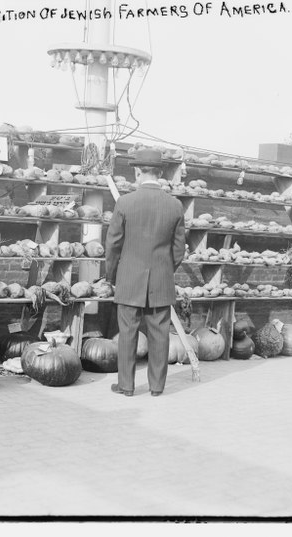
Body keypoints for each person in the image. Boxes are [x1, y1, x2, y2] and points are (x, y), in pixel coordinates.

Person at [104, 148, 186, 397]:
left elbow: (113, 246)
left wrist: (112, 276)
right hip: (162, 281)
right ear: (160, 173)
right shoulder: (175, 205)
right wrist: (164, 270)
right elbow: (179, 249)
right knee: (160, 334)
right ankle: (157, 387)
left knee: (128, 334)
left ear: (138, 172)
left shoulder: (125, 203)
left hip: (129, 279)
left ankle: (127, 386)